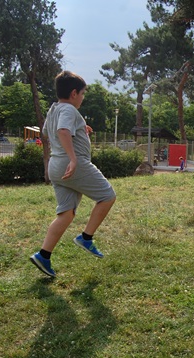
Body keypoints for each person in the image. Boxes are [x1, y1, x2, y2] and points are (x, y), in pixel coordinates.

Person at [30, 70, 116, 278]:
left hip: (55, 166)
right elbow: (62, 131)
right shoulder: (69, 109)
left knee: (66, 214)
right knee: (107, 196)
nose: (83, 97)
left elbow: (48, 131)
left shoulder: (55, 109)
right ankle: (86, 237)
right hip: (72, 165)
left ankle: (43, 255)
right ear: (74, 93)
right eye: (83, 93)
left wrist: (80, 127)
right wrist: (74, 159)